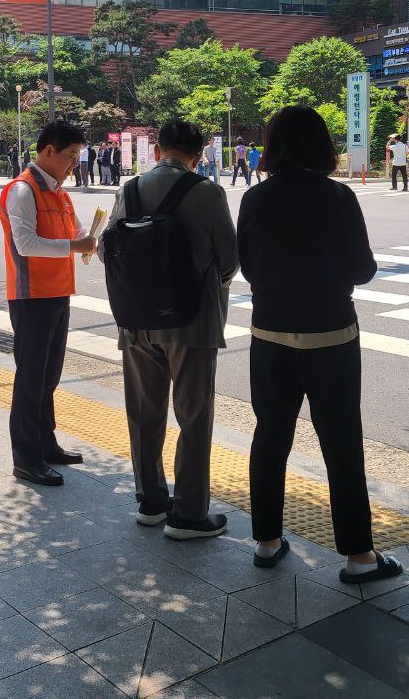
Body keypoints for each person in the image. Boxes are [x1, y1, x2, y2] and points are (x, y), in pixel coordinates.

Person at [238, 106, 404, 585]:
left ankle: (267, 543)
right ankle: (359, 557)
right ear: (321, 145)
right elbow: (363, 270)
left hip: (269, 335)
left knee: (270, 436)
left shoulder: (256, 199)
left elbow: (247, 267)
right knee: (341, 442)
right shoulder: (337, 197)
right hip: (331, 335)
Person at [99, 119, 238, 539]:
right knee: (194, 414)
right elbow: (229, 261)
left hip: (137, 320)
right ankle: (189, 514)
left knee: (144, 411)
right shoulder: (208, 192)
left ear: (157, 149)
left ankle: (151, 501)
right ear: (198, 155)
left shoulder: (130, 189)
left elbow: (109, 250)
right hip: (191, 322)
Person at [0, 120, 96, 486]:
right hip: (31, 297)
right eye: (70, 156)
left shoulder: (60, 192)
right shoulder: (22, 190)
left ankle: (46, 443)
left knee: (49, 377)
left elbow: (76, 229)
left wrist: (91, 237)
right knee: (30, 380)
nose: (74, 163)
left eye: (78, 156)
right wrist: (75, 246)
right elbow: (25, 243)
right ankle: (25, 458)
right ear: (49, 151)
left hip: (57, 293)